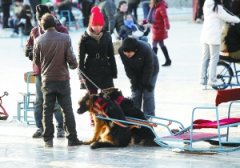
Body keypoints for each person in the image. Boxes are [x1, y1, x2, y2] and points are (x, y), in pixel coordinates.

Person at [33, 13, 82, 147]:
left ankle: (48, 140)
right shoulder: (65, 38)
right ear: (55, 24)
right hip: (62, 79)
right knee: (67, 109)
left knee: (47, 110)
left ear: (43, 26)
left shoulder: (38, 40)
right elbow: (71, 60)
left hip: (47, 80)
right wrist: (74, 65)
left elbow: (36, 61)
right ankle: (72, 138)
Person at [25, 4, 67, 139]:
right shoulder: (34, 31)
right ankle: (40, 127)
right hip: (39, 72)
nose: (40, 22)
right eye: (39, 19)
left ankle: (60, 127)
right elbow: (28, 48)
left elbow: (67, 47)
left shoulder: (60, 29)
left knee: (55, 102)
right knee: (39, 101)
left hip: (56, 71)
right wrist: (31, 52)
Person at [200, 0, 240, 86]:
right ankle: (212, 79)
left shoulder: (207, 4)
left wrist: (231, 21)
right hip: (213, 36)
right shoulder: (217, 7)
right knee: (214, 58)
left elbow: (217, 18)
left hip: (205, 35)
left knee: (205, 58)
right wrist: (237, 20)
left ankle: (203, 79)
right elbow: (226, 17)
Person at [78, 6, 117, 94]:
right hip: (91, 70)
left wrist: (114, 71)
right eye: (95, 25)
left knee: (109, 97)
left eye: (100, 25)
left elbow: (111, 55)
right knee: (93, 98)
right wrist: (81, 76)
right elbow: (81, 59)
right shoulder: (84, 37)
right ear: (91, 24)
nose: (98, 28)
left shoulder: (107, 35)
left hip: (105, 70)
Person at [118, 37, 159, 118]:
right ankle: (135, 114)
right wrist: (134, 81)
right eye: (125, 52)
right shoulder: (121, 51)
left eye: (129, 53)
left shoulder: (145, 49)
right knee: (136, 93)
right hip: (135, 71)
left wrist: (146, 82)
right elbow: (127, 68)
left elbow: (149, 67)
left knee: (148, 93)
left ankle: (149, 116)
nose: (127, 54)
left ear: (135, 50)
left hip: (151, 70)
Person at [147, 0, 171, 66]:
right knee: (161, 43)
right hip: (155, 28)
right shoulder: (155, 5)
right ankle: (168, 60)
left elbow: (165, 16)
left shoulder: (161, 6)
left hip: (159, 29)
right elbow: (151, 17)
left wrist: (167, 26)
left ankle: (153, 62)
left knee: (154, 43)